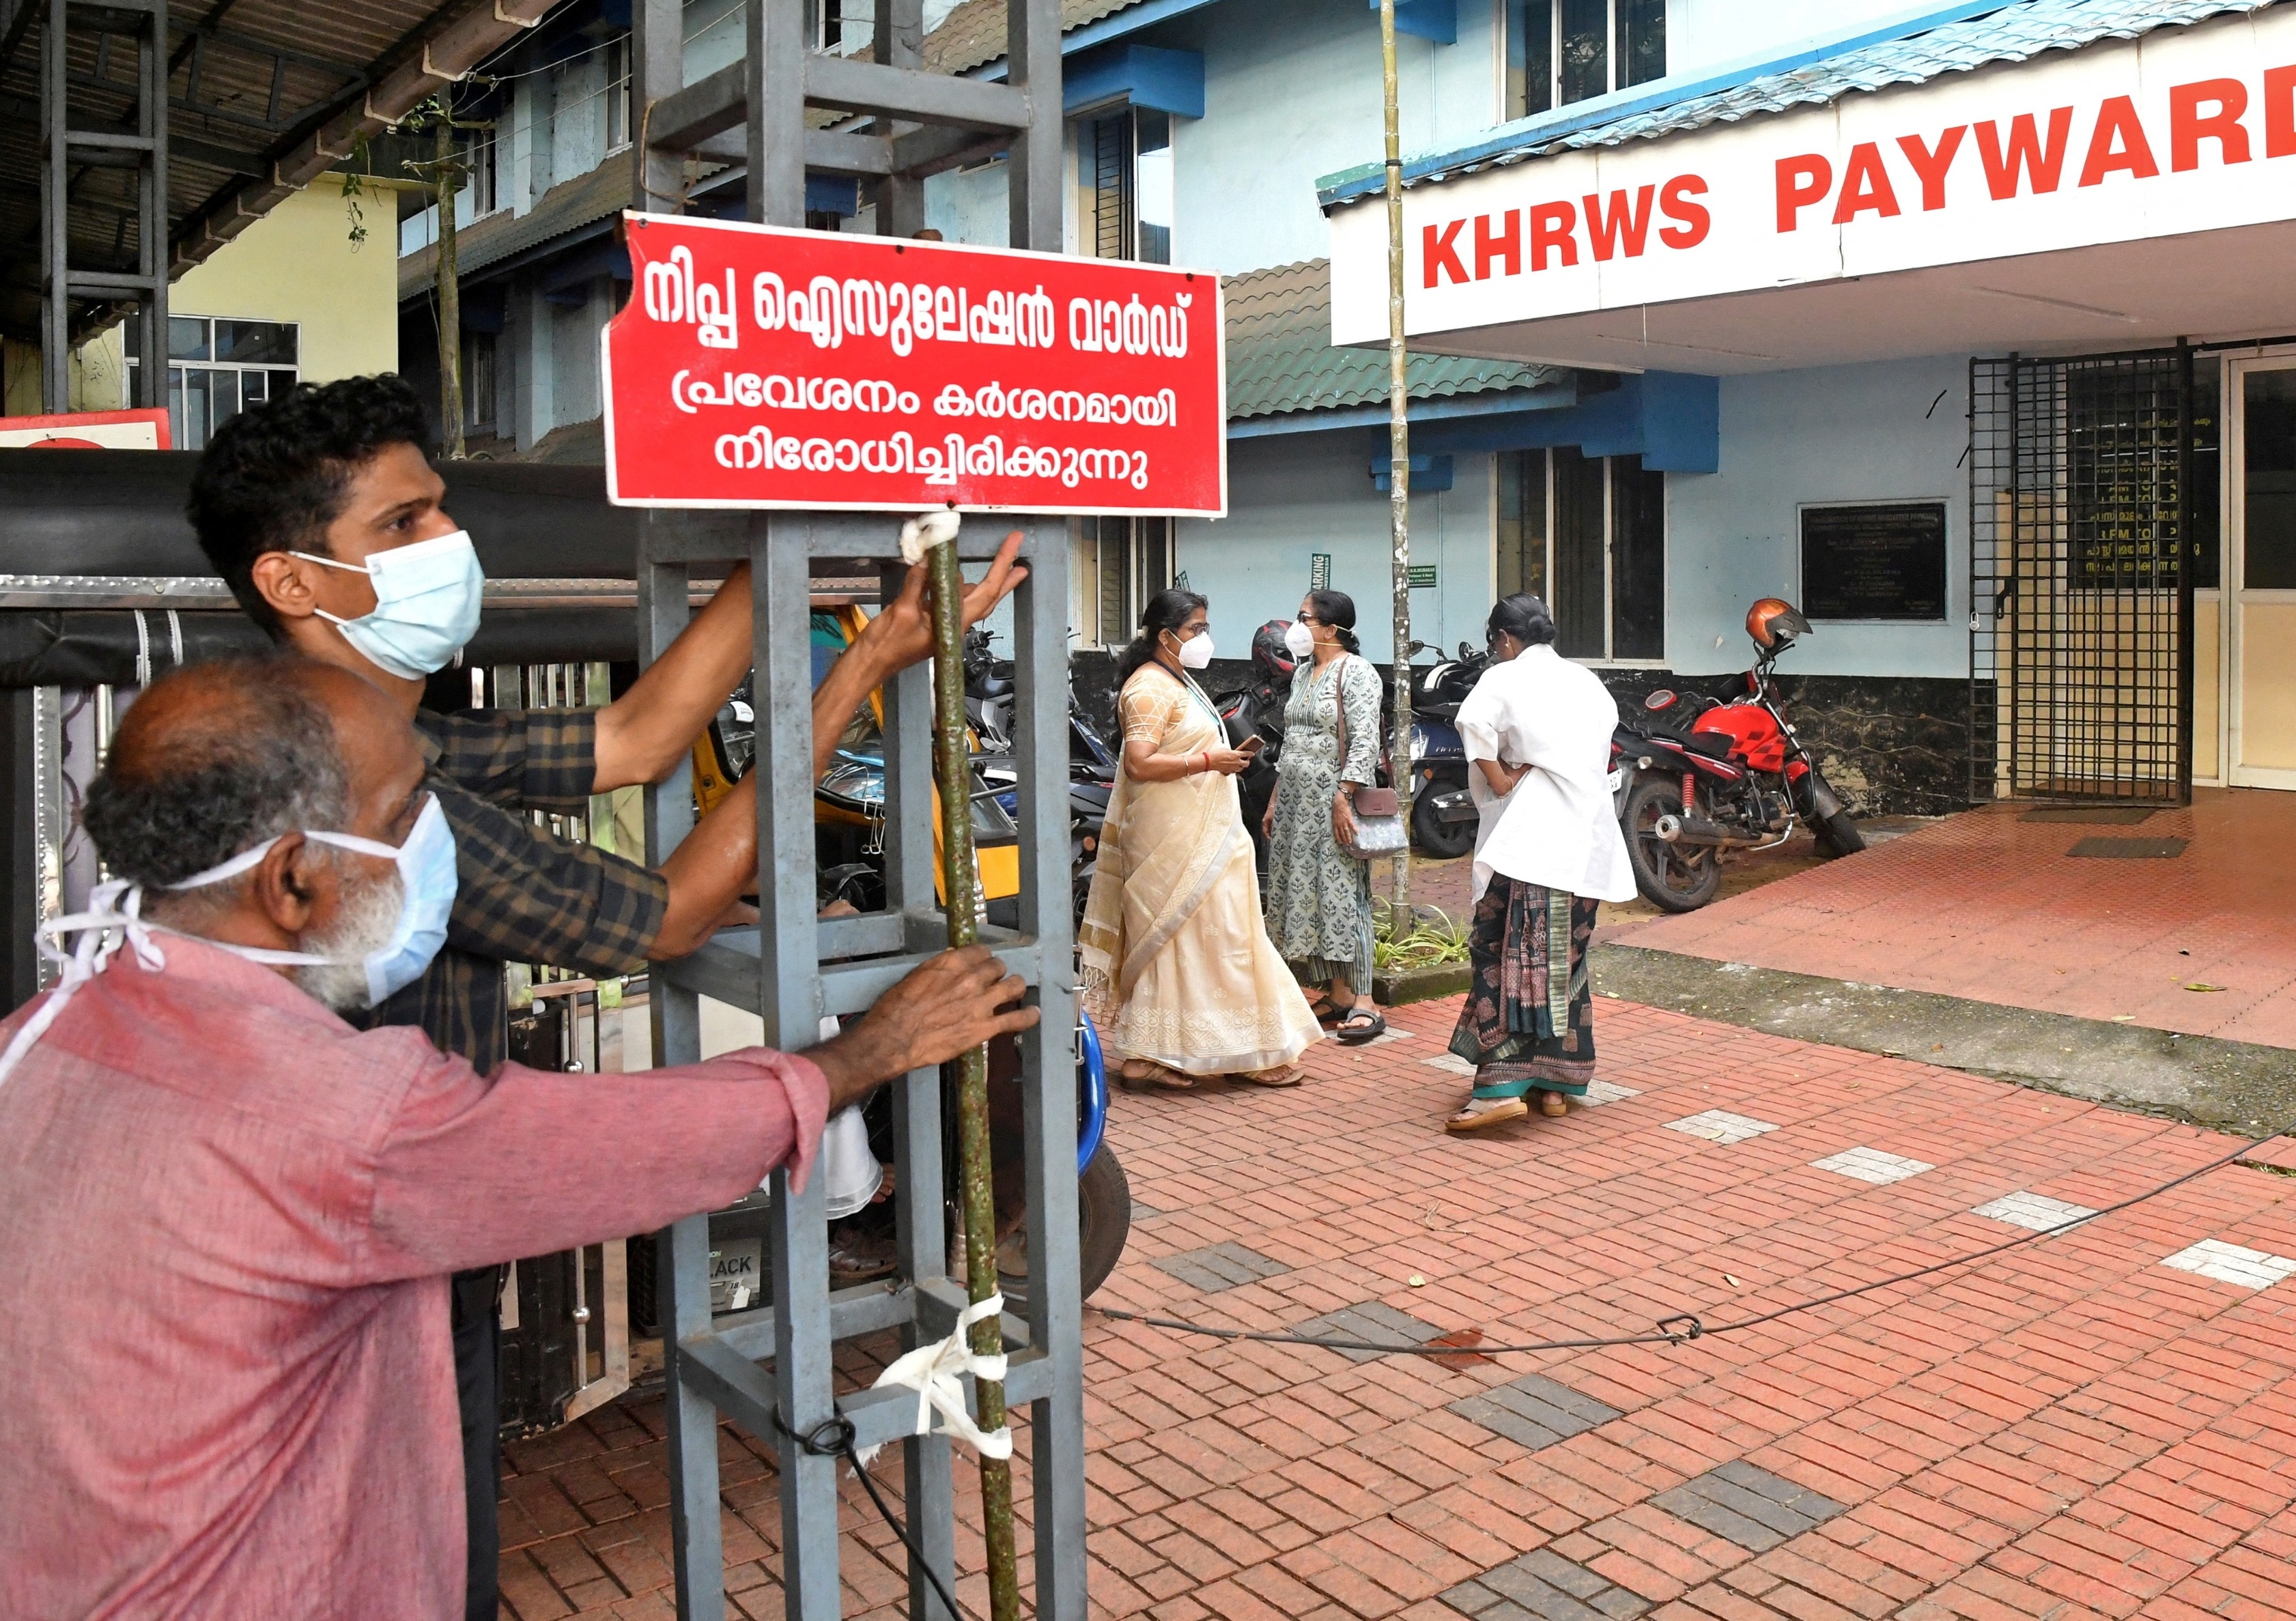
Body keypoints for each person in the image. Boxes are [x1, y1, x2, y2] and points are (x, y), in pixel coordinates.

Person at [184, 374, 1021, 1618]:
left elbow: (630, 738)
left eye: (440, 511)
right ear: (293, 582)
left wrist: (776, 547)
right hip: (365, 1293)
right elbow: (669, 913)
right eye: (401, 526)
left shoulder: (352, 727)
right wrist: (859, 676)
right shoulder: (373, 806)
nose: (447, 545)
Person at [0, 655, 1034, 1619]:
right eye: (409, 813)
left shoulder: (34, 1038)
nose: (435, 839)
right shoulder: (339, 1111)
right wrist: (866, 1053)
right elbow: (626, 1145)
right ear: (292, 881)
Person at [1078, 588, 1321, 1090]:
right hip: (1173, 837)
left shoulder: (1178, 679)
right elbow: (1140, 762)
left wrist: (1224, 760)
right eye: (1196, 630)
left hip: (1210, 830)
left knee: (1219, 937)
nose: (1204, 639)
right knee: (1187, 937)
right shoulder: (1148, 688)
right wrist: (1212, 761)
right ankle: (1182, 1053)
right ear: (1166, 636)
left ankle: (1162, 1055)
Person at [1443, 593, 1634, 1134]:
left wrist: (1501, 779)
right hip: (1587, 840)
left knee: (1506, 952)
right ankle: (1556, 1083)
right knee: (1565, 956)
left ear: (1504, 639)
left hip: (1532, 837)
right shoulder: (1587, 682)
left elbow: (1471, 723)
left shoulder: (1505, 678)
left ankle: (1499, 1089)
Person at [1262, 588, 1389, 1044]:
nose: (1297, 625)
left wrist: (1343, 794)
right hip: (1297, 805)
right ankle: (1337, 993)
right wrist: (1277, 799)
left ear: (1332, 629)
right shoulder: (1302, 674)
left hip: (1334, 802)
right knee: (1312, 896)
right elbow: (1292, 740)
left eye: (1305, 617)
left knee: (1345, 895)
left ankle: (1365, 1001)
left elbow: (1364, 742)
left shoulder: (1356, 673)